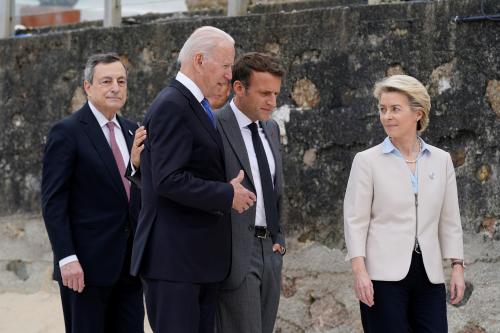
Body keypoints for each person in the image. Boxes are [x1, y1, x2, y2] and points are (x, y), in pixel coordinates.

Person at [130, 26, 256, 333]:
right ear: (199, 60)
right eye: (226, 66)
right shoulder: (173, 105)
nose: (230, 75)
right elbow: (168, 179)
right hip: (175, 264)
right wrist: (227, 195)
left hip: (195, 262)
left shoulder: (195, 106)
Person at [343, 74, 466, 332]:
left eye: (395, 109)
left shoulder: (441, 160)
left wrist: (457, 266)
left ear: (418, 113)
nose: (387, 116)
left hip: (429, 275)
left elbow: (450, 219)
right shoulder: (367, 161)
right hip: (382, 277)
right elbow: (355, 220)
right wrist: (359, 271)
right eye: (383, 109)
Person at [41, 53, 144, 333]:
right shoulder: (67, 132)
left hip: (130, 266)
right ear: (88, 87)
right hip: (84, 269)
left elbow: (137, 193)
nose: (115, 88)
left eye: (121, 81)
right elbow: (53, 202)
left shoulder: (133, 130)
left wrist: (137, 168)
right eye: (106, 81)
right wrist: (66, 257)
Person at [215, 52, 286, 333]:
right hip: (235, 254)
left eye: (276, 93)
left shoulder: (271, 127)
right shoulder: (215, 126)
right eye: (265, 93)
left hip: (270, 251)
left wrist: (279, 238)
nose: (273, 101)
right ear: (239, 88)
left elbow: (277, 188)